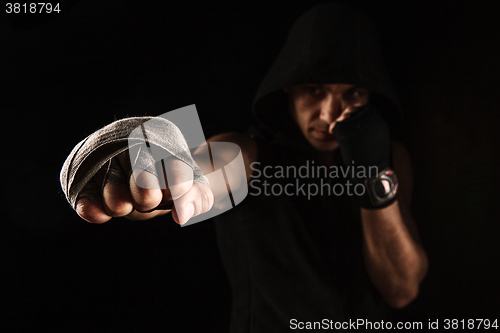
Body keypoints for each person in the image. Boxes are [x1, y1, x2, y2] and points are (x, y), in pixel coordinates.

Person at [60, 3, 428, 332]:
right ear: (288, 89)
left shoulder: (391, 158)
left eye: (352, 93)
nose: (330, 114)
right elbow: (206, 167)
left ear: (369, 97)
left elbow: (401, 290)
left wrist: (371, 174)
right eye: (314, 89)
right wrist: (159, 159)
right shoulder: (250, 150)